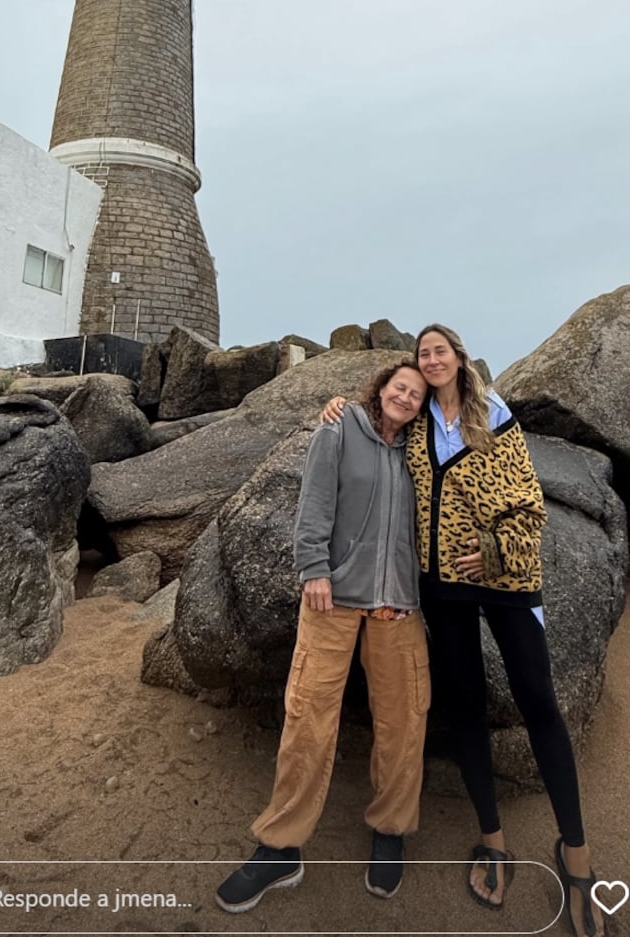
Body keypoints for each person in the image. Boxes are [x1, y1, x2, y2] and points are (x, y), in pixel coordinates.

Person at [321, 324, 605, 937]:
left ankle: (576, 858)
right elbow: (379, 424)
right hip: (443, 588)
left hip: (505, 581)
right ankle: (493, 840)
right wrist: (340, 403)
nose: (431, 359)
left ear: (458, 356)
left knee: (540, 705)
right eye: (423, 353)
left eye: (439, 350)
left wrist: (496, 547)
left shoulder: (493, 413)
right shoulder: (416, 423)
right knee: (465, 709)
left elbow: (528, 498)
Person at [215, 359, 431, 916]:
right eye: (399, 386)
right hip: (331, 599)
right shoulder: (338, 429)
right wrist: (313, 567)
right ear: (381, 388)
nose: (406, 397)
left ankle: (390, 829)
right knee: (307, 716)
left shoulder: (423, 452)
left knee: (403, 720)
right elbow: (314, 503)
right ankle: (281, 846)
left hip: (397, 607)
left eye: (417, 393)